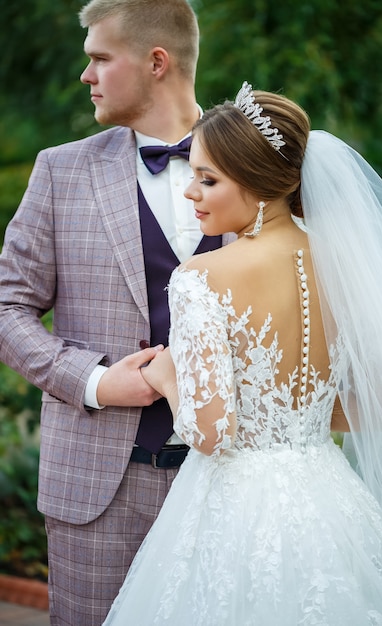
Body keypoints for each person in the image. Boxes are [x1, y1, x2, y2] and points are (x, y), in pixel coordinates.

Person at [102, 82, 382, 625]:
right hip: (330, 498)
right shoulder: (343, 260)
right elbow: (380, 404)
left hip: (236, 509)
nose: (190, 192)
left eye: (208, 179)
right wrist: (303, 417)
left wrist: (166, 376)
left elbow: (209, 433)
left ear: (259, 185)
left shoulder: (201, 279)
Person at [0, 1, 234, 624]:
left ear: (157, 62)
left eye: (101, 58)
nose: (87, 75)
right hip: (99, 495)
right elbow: (8, 307)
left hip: (234, 488)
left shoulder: (263, 167)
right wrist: (98, 382)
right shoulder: (61, 171)